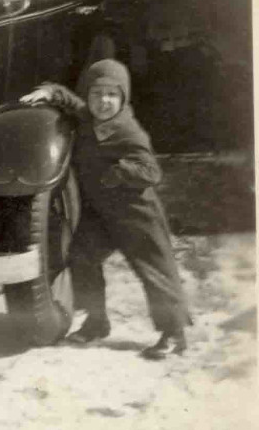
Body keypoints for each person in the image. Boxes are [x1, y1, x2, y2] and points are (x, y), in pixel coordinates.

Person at [21, 58, 189, 359]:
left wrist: (120, 171)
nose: (104, 101)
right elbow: (67, 98)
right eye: (97, 94)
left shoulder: (128, 131)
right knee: (82, 256)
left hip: (137, 213)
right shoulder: (86, 116)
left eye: (112, 95)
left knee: (154, 271)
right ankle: (97, 321)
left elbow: (152, 172)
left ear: (123, 98)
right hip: (101, 214)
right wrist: (48, 92)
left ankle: (174, 334)